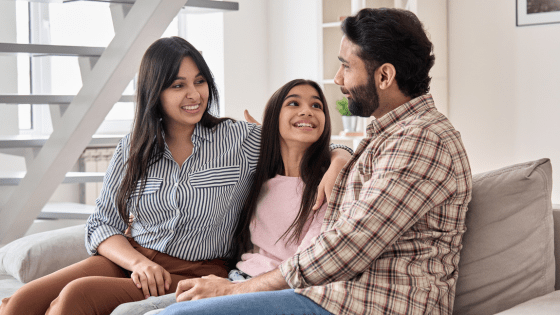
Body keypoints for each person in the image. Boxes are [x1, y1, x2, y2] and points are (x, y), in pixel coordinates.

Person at [155, 8, 473, 315]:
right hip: (330, 296)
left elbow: (353, 242)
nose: (337, 79)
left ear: (385, 76)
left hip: (366, 304)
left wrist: (234, 290)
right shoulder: (389, 137)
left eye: (346, 67)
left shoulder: (421, 139)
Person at [0, 38, 350, 315]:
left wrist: (337, 163)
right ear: (156, 93)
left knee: (78, 296)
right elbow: (102, 224)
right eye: (178, 85)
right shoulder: (133, 147)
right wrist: (137, 263)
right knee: (21, 301)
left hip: (194, 270)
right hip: (130, 258)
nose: (194, 94)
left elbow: (309, 138)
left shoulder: (239, 139)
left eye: (200, 82)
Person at [111, 79, 333, 315]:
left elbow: (310, 266)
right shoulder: (259, 177)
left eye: (317, 106)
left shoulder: (328, 186)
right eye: (294, 103)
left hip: (272, 291)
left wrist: (339, 158)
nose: (307, 111)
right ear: (273, 119)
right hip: (237, 279)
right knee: (125, 312)